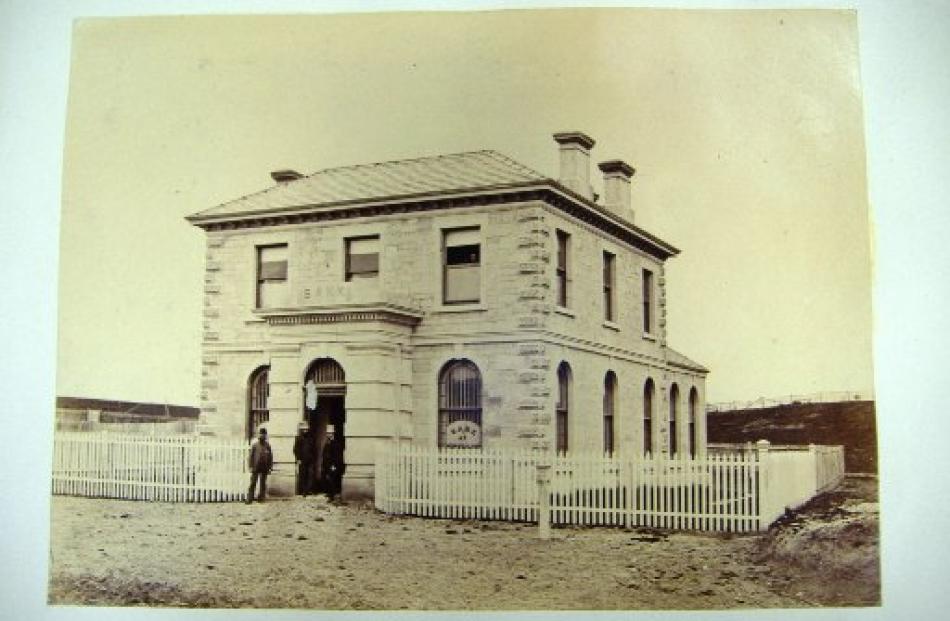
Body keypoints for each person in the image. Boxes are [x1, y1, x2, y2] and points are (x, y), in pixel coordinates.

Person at [246, 427, 273, 503]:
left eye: (263, 434)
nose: (262, 436)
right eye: (261, 434)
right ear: (258, 435)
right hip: (255, 466)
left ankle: (261, 498)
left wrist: (270, 467)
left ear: (265, 436)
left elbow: (270, 457)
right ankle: (249, 499)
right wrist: (250, 466)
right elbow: (251, 456)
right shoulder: (255, 445)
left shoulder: (267, 446)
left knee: (263, 484)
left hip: (264, 467)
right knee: (253, 483)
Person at [321, 430, 345, 502]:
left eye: (330, 433)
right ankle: (330, 494)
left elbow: (337, 456)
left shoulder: (336, 443)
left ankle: (332, 496)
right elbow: (324, 454)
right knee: (328, 479)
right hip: (327, 465)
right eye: (328, 433)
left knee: (332, 480)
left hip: (333, 465)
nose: (329, 435)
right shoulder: (327, 443)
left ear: (333, 434)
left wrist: (334, 465)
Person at [292, 421, 315, 495]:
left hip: (310, 459)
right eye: (304, 429)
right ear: (301, 430)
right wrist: (298, 459)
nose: (305, 431)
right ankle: (304, 491)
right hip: (302, 460)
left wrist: (312, 457)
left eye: (306, 429)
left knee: (310, 475)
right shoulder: (298, 438)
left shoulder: (310, 438)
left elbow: (314, 449)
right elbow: (295, 449)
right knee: (303, 475)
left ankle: (308, 490)